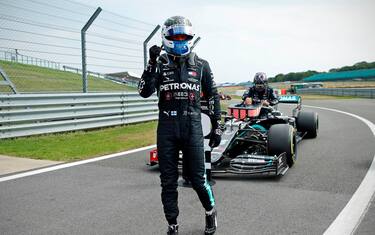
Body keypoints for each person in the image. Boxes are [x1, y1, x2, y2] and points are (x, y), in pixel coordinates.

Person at [138, 16, 221, 235]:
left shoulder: (202, 65)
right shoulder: (159, 63)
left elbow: (213, 96)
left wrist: (217, 125)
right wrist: (150, 64)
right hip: (166, 127)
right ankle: (172, 225)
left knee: (198, 179)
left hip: (192, 126)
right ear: (167, 37)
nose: (181, 39)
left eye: (184, 36)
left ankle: (210, 211)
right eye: (176, 36)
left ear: (191, 37)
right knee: (168, 182)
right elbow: (143, 91)